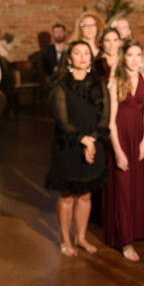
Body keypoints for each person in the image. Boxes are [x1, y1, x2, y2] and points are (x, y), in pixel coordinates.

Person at [45, 41, 110, 256]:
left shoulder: (98, 83)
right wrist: (84, 140)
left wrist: (92, 139)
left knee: (85, 196)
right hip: (69, 145)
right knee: (67, 196)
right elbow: (63, 120)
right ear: (69, 58)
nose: (83, 56)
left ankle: (80, 237)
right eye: (77, 53)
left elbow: (105, 116)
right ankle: (66, 240)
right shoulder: (61, 85)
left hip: (93, 142)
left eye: (86, 53)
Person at [103, 41, 144, 261]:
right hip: (120, 138)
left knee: (135, 188)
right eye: (130, 55)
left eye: (138, 54)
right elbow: (110, 121)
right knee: (122, 188)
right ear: (123, 58)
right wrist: (118, 151)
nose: (134, 59)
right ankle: (125, 241)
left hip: (138, 138)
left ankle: (133, 232)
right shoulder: (116, 82)